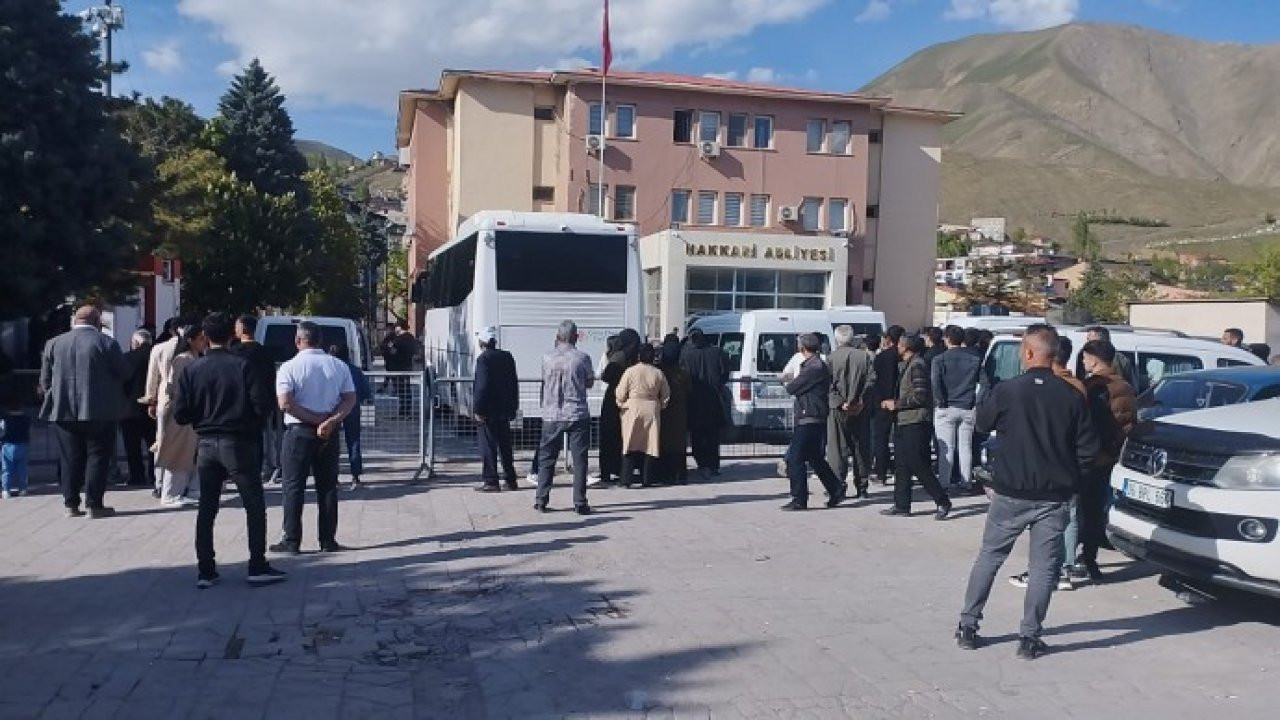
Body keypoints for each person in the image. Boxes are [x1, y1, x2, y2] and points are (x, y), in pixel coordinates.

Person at [955, 325, 1098, 660]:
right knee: (1043, 568)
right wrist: (1071, 481)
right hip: (1054, 496)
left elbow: (981, 424)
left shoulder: (1008, 390)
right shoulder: (1072, 396)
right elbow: (1087, 450)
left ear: (1031, 353)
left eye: (1022, 350)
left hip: (1010, 493)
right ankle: (1030, 638)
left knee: (990, 557)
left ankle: (968, 626)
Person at [172, 313, 286, 589]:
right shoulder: (242, 366)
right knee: (254, 504)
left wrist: (203, 417)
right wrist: (248, 423)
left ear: (206, 337)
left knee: (207, 507)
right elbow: (262, 406)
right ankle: (257, 564)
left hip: (207, 443)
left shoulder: (192, 370)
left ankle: (206, 569)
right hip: (239, 441)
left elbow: (181, 414)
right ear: (230, 335)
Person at [1009, 335, 1089, 591]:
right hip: (1068, 467)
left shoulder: (1058, 388)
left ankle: (1052, 570)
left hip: (1052, 470)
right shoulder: (1076, 386)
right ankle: (1061, 568)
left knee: (1056, 523)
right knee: (1069, 518)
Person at [270, 321, 357, 554]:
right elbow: (349, 399)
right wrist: (330, 421)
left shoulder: (289, 367)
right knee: (327, 486)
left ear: (298, 341)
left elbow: (285, 403)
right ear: (320, 340)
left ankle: (292, 540)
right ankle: (328, 540)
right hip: (329, 432)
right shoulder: (338, 366)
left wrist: (312, 419)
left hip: (299, 432)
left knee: (293, 486)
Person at [38, 305, 129, 518]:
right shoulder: (107, 343)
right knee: (98, 456)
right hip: (101, 409)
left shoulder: (54, 343)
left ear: (75, 321)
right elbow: (124, 372)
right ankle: (94, 505)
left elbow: (45, 380)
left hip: (63, 410)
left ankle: (71, 504)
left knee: (70, 457)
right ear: (97, 321)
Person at [1078, 339, 1136, 581]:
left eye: (1084, 358)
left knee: (1083, 511)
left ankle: (1079, 560)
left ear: (1093, 359)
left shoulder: (1093, 387)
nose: (1082, 362)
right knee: (1096, 510)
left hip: (1094, 457)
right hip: (1114, 456)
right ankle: (1090, 560)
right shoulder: (1126, 386)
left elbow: (1091, 424)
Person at [881, 335, 952, 519]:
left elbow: (921, 396)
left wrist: (896, 404)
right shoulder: (907, 364)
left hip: (915, 421)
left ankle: (942, 500)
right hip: (904, 420)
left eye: (900, 344)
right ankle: (901, 505)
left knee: (917, 463)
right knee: (901, 464)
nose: (897, 347)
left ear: (906, 347)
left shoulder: (917, 365)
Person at [533, 320, 596, 514]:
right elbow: (589, 382)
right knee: (580, 460)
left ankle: (541, 499)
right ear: (576, 337)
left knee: (547, 458)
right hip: (577, 413)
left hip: (552, 413)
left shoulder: (546, 357)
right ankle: (579, 502)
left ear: (557, 337)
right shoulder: (582, 358)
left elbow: (544, 381)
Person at [781, 333, 846, 510]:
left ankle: (799, 499)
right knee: (815, 457)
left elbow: (792, 387)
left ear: (802, 348)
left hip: (810, 415)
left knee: (795, 458)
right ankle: (836, 489)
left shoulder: (814, 367)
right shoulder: (813, 365)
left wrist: (788, 382)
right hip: (811, 414)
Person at [153, 324, 206, 507]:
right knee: (178, 454)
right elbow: (177, 388)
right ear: (191, 340)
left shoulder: (195, 358)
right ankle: (170, 493)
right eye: (200, 338)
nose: (204, 342)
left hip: (193, 413)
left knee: (190, 453)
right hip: (181, 413)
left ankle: (187, 490)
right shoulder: (182, 360)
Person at [826, 325, 875, 498]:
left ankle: (838, 485)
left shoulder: (831, 358)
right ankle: (862, 486)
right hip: (860, 409)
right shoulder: (864, 357)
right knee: (861, 448)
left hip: (837, 410)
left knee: (837, 449)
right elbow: (871, 381)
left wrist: (840, 403)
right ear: (852, 339)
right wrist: (861, 400)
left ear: (837, 339)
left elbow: (828, 385)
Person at [233, 315, 283, 485]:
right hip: (261, 404)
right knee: (258, 439)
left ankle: (239, 471)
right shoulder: (265, 353)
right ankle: (261, 470)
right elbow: (271, 378)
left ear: (242, 329)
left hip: (237, 403)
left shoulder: (234, 353)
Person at [932, 326, 981, 493]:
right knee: (965, 446)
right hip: (967, 406)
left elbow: (936, 383)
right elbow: (983, 385)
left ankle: (944, 482)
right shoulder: (974, 359)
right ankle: (966, 481)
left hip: (947, 407)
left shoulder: (939, 359)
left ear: (946, 339)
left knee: (947, 447)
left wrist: (940, 402)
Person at [471, 326, 519, 492]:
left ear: (482, 342)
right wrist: (514, 406)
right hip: (505, 409)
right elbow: (514, 383)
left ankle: (491, 480)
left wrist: (478, 408)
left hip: (488, 410)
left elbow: (481, 386)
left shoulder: (483, 359)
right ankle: (510, 478)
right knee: (505, 446)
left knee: (488, 445)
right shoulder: (507, 356)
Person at [615, 344, 670, 488]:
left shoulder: (630, 371)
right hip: (651, 408)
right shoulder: (658, 373)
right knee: (650, 444)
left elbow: (620, 392)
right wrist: (660, 406)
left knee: (630, 443)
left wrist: (621, 403)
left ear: (638, 356)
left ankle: (626, 479)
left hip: (632, 408)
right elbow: (666, 394)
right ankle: (647, 479)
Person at [680, 328, 730, 480]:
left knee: (697, 435)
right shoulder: (717, 353)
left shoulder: (686, 355)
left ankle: (702, 464)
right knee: (713, 436)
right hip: (714, 400)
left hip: (693, 400)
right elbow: (725, 372)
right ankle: (714, 465)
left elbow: (683, 375)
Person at [597, 330, 641, 488]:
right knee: (627, 438)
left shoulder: (619, 356)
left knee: (609, 436)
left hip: (613, 400)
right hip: (632, 401)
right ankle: (624, 471)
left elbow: (606, 376)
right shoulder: (638, 355)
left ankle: (606, 473)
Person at [143, 318, 181, 498]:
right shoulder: (193, 347)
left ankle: (159, 482)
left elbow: (152, 377)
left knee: (161, 440)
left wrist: (151, 400)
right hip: (187, 397)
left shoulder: (158, 348)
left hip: (164, 397)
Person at [330, 345, 372, 491]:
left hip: (333, 408)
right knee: (353, 441)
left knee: (331, 442)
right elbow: (366, 391)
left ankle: (333, 477)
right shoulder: (354, 370)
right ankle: (355, 476)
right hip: (352, 407)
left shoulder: (330, 370)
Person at [869, 326, 905, 485]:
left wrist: (882, 399)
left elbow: (877, 380)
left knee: (881, 439)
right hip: (902, 402)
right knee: (901, 439)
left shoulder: (882, 357)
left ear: (889, 339)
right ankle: (901, 470)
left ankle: (881, 472)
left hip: (883, 403)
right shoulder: (905, 357)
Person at [120, 329, 156, 488]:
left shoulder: (126, 358)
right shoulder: (156, 355)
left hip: (129, 408)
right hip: (152, 407)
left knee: (132, 447)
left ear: (135, 342)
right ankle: (154, 474)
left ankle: (136, 476)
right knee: (154, 444)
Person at [657, 337, 692, 485]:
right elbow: (690, 391)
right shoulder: (683, 373)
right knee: (678, 442)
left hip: (663, 410)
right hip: (680, 411)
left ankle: (665, 474)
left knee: (664, 441)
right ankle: (680, 475)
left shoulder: (660, 371)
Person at [381, 321, 418, 418]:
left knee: (402, 390)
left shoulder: (399, 339)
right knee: (406, 390)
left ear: (399, 327)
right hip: (407, 366)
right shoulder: (411, 338)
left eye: (396, 327)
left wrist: (389, 348)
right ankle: (406, 411)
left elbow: (392, 351)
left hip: (398, 367)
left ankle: (404, 412)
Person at [1, 392, 31, 499]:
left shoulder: (5, 419)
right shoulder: (26, 419)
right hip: (22, 444)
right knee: (22, 468)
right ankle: (23, 489)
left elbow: (2, 432)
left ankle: (6, 490)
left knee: (6, 469)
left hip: (8, 445)